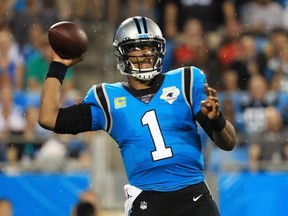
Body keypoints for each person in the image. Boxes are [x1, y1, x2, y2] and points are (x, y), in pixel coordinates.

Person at [38, 16, 236, 216]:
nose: (147, 53)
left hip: (194, 197)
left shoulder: (186, 81)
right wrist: (58, 66)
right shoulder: (107, 98)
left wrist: (217, 120)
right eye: (138, 48)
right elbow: (48, 118)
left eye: (151, 47)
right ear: (122, 53)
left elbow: (229, 143)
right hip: (147, 201)